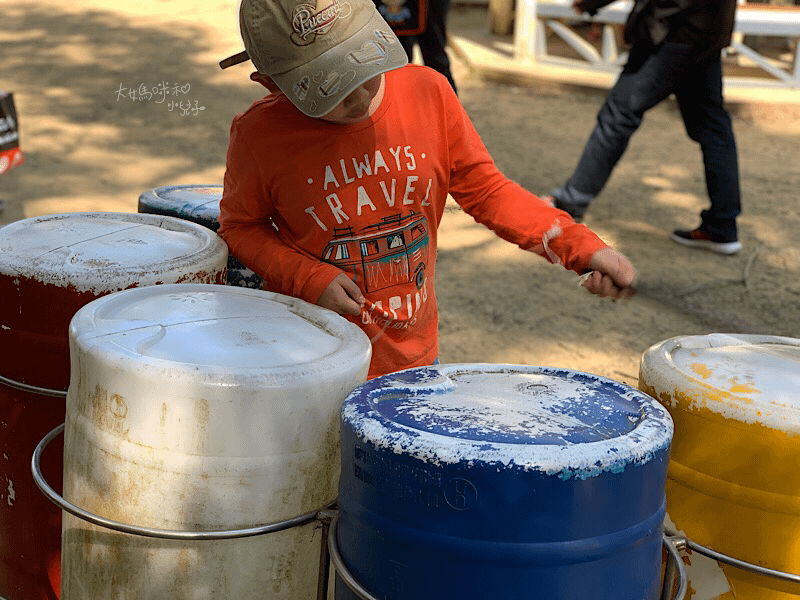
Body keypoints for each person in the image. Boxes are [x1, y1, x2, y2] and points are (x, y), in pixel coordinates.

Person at [217, 0, 636, 379]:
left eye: (364, 62)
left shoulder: (428, 92)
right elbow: (240, 227)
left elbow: (488, 191)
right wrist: (307, 277)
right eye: (331, 85)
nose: (361, 93)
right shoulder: (259, 135)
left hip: (413, 359)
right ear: (272, 83)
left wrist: (580, 246)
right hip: (309, 361)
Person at [546, 0, 742, 255]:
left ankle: (569, 202)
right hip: (709, 30)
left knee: (618, 116)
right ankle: (722, 225)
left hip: (669, 28)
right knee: (714, 130)